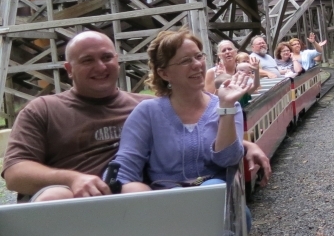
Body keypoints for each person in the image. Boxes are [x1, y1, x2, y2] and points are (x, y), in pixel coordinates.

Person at [1, 31, 270, 203]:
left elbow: (188, 126)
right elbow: (14, 173)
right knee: (56, 197)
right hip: (73, 198)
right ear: (69, 69)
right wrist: (72, 179)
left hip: (127, 199)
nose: (100, 66)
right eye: (87, 60)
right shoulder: (44, 109)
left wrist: (245, 143)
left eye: (107, 57)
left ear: (117, 61)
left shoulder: (146, 106)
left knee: (142, 195)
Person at [112, 29, 251, 193]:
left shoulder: (227, 105)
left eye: (199, 56)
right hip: (166, 205)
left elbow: (229, 159)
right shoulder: (147, 113)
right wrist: (145, 196)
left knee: (211, 188)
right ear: (164, 73)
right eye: (185, 61)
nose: (197, 64)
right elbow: (124, 170)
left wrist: (226, 106)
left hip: (217, 203)